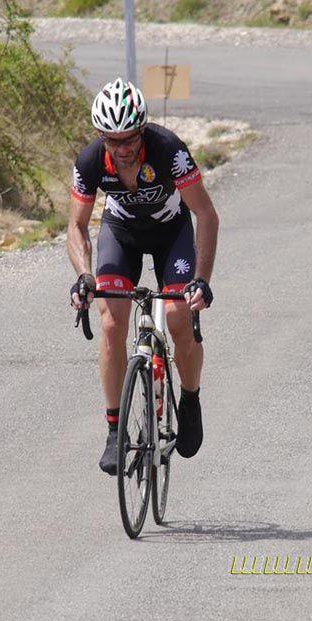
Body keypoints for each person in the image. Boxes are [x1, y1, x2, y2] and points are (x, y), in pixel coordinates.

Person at [67, 78, 219, 475]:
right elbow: (77, 226)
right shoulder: (88, 162)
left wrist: (201, 279)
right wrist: (84, 276)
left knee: (176, 317)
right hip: (121, 233)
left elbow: (206, 214)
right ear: (101, 136)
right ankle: (115, 431)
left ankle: (190, 398)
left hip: (172, 233)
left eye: (130, 139)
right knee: (112, 323)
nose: (122, 150)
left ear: (143, 129)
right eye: (112, 141)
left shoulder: (169, 149)